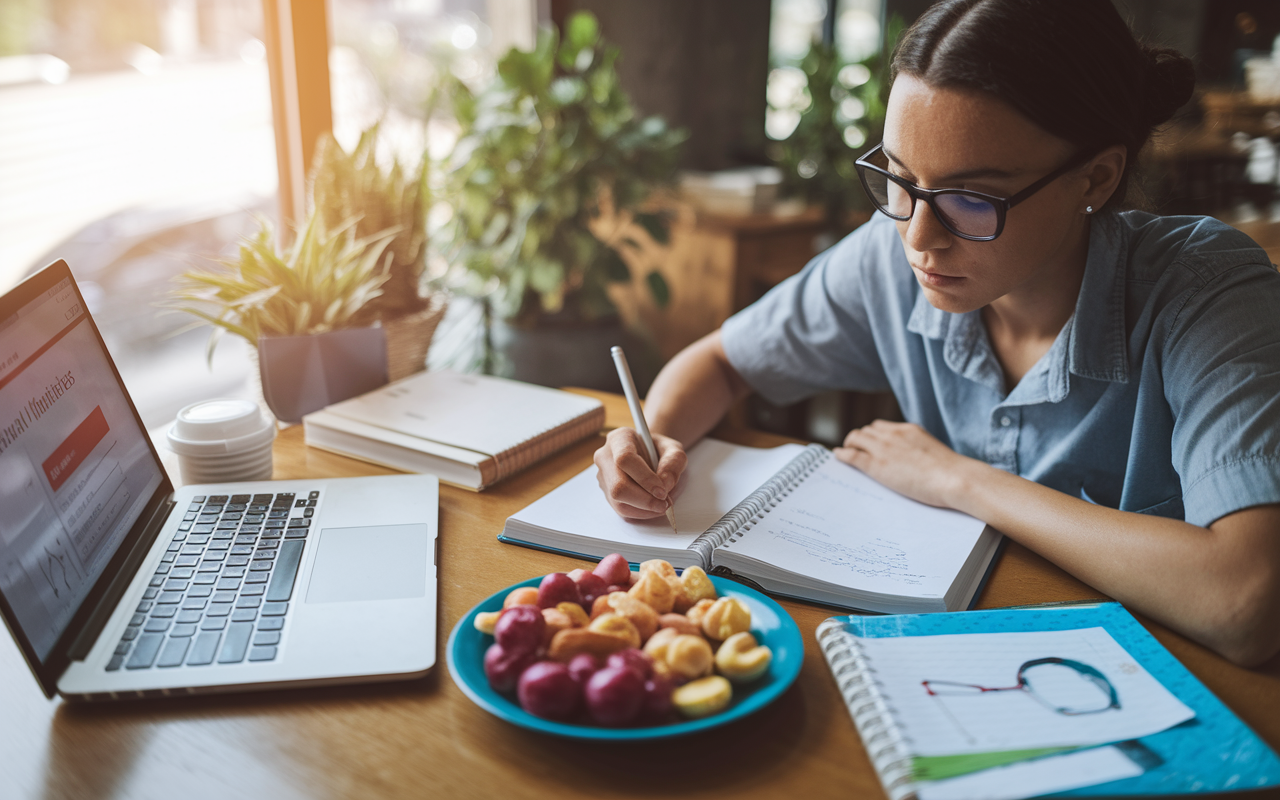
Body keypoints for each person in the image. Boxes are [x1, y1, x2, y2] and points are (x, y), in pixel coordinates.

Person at [593, 0, 1280, 667]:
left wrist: (960, 480)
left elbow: (1247, 604)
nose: (918, 239)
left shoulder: (1206, 293)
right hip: (951, 659)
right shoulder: (887, 254)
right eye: (897, 179)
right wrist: (652, 443)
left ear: (1095, 177)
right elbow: (724, 361)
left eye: (972, 198)